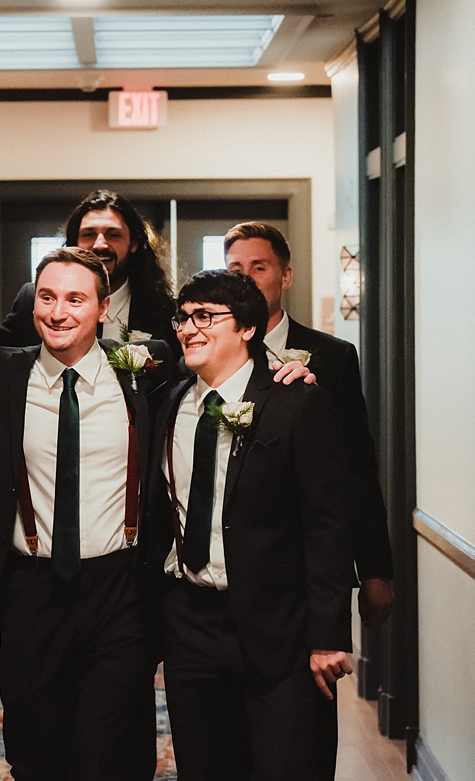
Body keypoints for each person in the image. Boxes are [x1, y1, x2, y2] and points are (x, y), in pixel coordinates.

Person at [0, 247, 173, 781]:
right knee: (35, 750)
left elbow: (224, 367)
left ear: (103, 308)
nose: (58, 312)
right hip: (31, 590)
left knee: (111, 752)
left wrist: (284, 373)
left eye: (75, 299)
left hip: (119, 590)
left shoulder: (145, 369)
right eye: (47, 297)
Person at [147, 269, 357, 781]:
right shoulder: (170, 403)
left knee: (285, 767)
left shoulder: (297, 401)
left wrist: (328, 635)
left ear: (247, 328)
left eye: (205, 316)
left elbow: (327, 525)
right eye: (182, 318)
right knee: (204, 767)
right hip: (190, 622)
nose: (188, 329)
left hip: (279, 627)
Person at [224, 220, 395, 626]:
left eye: (259, 267)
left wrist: (375, 569)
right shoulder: (210, 355)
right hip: (223, 570)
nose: (246, 279)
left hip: (302, 570)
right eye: (235, 270)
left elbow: (357, 467)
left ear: (286, 276)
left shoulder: (333, 357)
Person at [0, 189, 179, 351]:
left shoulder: (162, 310)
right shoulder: (33, 301)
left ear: (134, 243)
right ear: (75, 243)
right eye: (89, 235)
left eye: (113, 235)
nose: (100, 244)